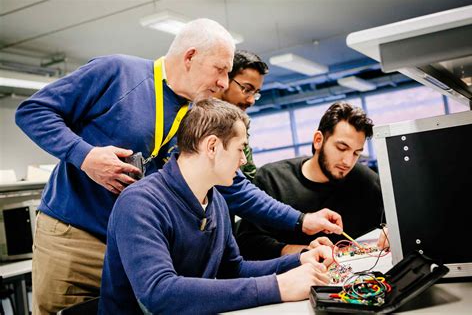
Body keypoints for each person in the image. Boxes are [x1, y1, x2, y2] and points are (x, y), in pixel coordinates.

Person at [15, 19, 342, 314]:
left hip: (143, 240)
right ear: (190, 57)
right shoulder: (117, 73)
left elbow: (235, 187)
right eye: (220, 69)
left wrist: (300, 221)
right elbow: (33, 111)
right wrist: (85, 155)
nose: (223, 82)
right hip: (77, 233)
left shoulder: (195, 115)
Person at [99, 99, 333, 314]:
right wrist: (277, 286)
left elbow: (233, 270)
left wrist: (299, 260)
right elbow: (159, 293)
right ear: (212, 146)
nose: (243, 161)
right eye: (240, 149)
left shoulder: (216, 200)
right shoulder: (140, 202)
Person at [237, 102, 386, 260]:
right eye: (342, 148)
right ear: (318, 140)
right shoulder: (272, 178)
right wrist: (305, 251)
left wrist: (393, 230)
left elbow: (398, 216)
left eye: (356, 153)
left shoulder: (365, 180)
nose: (348, 162)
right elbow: (248, 243)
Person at [217, 50, 268, 181]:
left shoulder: (239, 124)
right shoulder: (194, 120)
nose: (251, 100)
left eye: (255, 93)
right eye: (246, 89)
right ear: (225, 79)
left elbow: (248, 176)